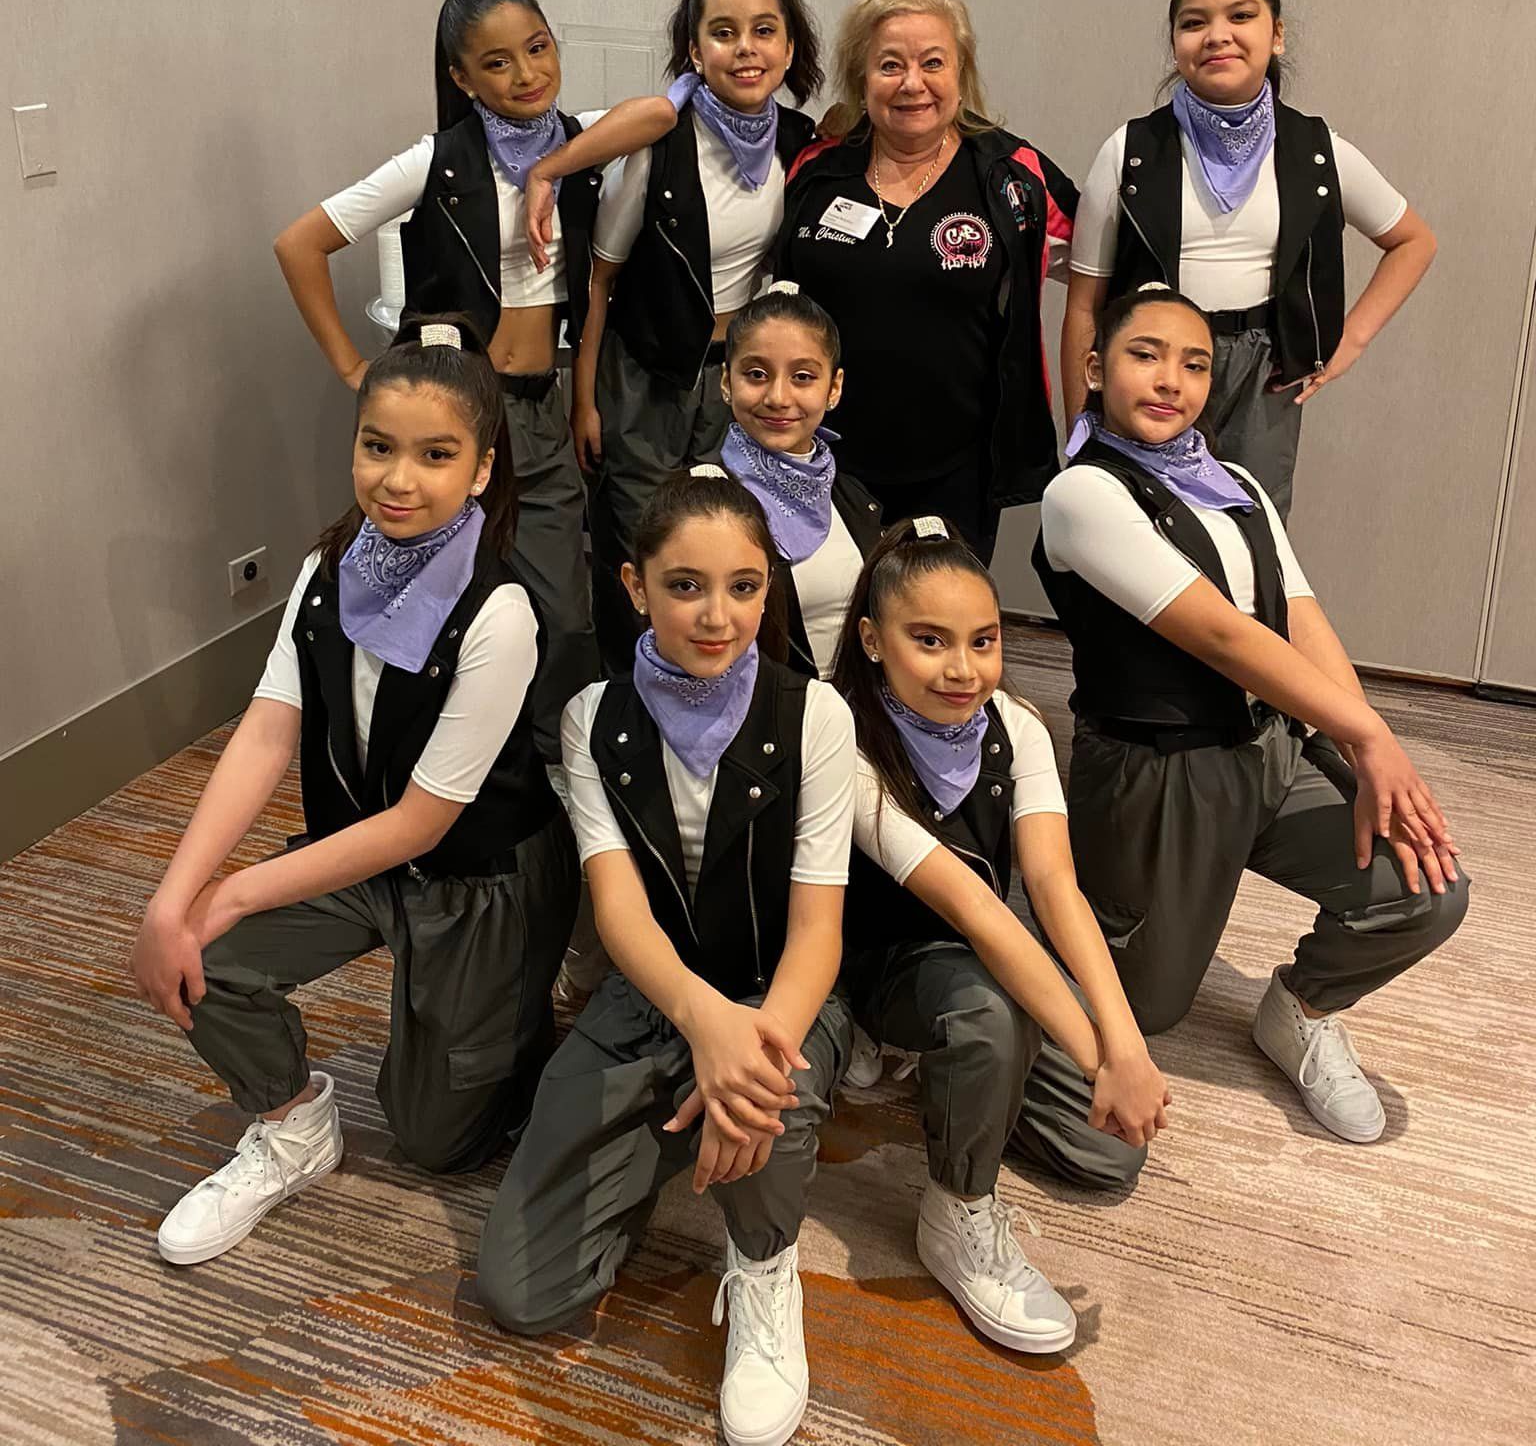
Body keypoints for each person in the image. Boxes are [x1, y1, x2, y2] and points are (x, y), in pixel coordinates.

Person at [131, 318, 578, 1264]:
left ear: (484, 470)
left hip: (477, 880)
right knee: (199, 953)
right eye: (377, 447)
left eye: (435, 454)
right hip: (364, 853)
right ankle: (295, 1124)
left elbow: (423, 823)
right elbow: (267, 729)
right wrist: (176, 898)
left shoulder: (500, 611)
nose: (398, 479)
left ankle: (520, 1012)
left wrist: (237, 887)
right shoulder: (325, 570)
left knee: (433, 1139)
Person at [478, 468, 857, 1446]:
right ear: (635, 585)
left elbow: (818, 931)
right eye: (685, 584)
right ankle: (673, 1132)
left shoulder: (814, 715)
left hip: (782, 996)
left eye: (742, 584)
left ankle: (766, 1264)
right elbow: (618, 912)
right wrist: (702, 1027)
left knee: (764, 1093)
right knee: (521, 1289)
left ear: (767, 589)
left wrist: (751, 1051)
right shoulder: (591, 719)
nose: (717, 613)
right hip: (652, 998)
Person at [1035, 285, 1467, 1140]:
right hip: (1157, 775)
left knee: (1427, 886)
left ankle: (1299, 1011)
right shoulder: (1079, 494)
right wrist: (1367, 732)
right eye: (1145, 355)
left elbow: (1300, 615)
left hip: (1269, 753)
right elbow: (1225, 640)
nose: (1171, 381)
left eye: (1194, 363)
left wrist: (1358, 742)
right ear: (1094, 366)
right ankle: (1042, 915)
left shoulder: (1231, 479)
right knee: (1145, 1011)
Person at [833, 517, 1165, 1352]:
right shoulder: (844, 738)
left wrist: (1124, 1047)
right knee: (989, 1010)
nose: (963, 668)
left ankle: (961, 1073)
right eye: (930, 640)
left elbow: (1054, 886)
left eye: (983, 640)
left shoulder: (1015, 725)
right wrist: (1098, 1058)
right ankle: (956, 1213)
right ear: (873, 641)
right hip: (871, 962)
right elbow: (977, 909)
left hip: (965, 953)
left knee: (1107, 1157)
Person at [274, 0, 604, 761]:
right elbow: (299, 244)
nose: (526, 75)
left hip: (539, 407)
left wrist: (561, 167)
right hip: (450, 417)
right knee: (432, 598)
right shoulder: (439, 162)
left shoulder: (583, 148)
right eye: (496, 63)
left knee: (563, 610)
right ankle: (426, 760)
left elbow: (659, 112)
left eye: (538, 48)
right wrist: (356, 368)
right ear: (460, 79)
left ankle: (550, 770)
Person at [1060, 0, 1436, 517]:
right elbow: (1084, 306)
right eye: (1194, 23)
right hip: (1152, 366)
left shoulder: (1315, 150)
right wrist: (1080, 436)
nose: (1217, 36)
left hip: (1266, 373)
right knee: (1140, 528)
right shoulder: (1130, 153)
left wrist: (1344, 345)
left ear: (1276, 35)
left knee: (1250, 530)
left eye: (1240, 16)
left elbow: (1413, 241)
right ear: (1175, 42)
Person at [569, 0, 821, 667]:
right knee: (641, 540)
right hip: (644, 373)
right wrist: (584, 400)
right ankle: (629, 701)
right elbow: (600, 281)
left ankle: (721, 693)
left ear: (789, 44)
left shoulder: (800, 147)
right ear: (694, 47)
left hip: (737, 380)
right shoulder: (657, 140)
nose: (746, 49)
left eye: (764, 29)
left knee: (727, 542)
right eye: (724, 31)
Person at [776, 0, 1077, 562]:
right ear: (861, 78)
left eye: (933, 63)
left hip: (955, 471)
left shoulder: (1012, 173)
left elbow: (1109, 258)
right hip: (820, 459)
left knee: (934, 630)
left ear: (960, 73)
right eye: (890, 64)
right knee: (834, 631)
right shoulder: (816, 168)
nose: (913, 83)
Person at [718, 282, 882, 679]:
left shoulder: (853, 497)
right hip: (770, 722)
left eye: (803, 377)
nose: (777, 396)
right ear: (726, 382)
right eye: (756, 374)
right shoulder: (704, 505)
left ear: (834, 388)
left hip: (859, 714)